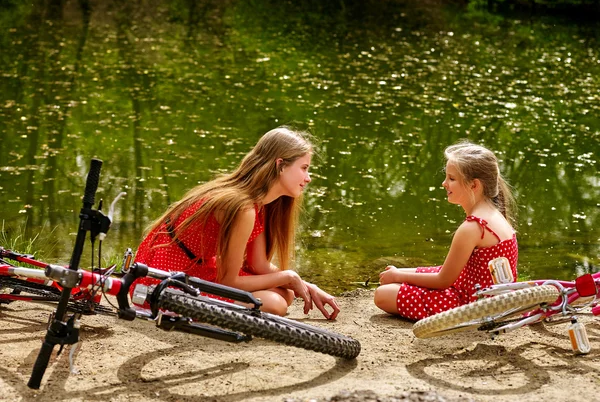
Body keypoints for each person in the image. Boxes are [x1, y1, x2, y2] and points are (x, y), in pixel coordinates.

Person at [133, 127, 340, 319]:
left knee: (284, 294)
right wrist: (287, 275)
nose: (308, 178)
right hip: (165, 275)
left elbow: (257, 264)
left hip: (196, 267)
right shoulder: (243, 207)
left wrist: (304, 285)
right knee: (275, 303)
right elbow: (228, 281)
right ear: (280, 165)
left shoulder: (260, 202)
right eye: (304, 168)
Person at [374, 141, 518, 320]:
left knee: (383, 294)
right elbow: (454, 271)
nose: (444, 184)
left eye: (451, 179)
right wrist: (402, 273)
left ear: (474, 185)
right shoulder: (497, 215)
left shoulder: (473, 227)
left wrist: (398, 275)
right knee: (395, 284)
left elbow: (443, 280)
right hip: (492, 301)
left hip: (472, 306)